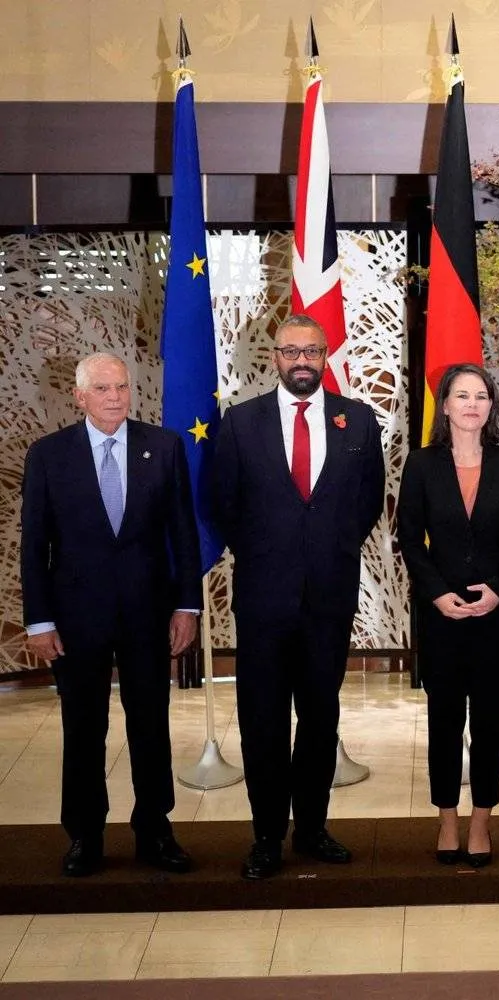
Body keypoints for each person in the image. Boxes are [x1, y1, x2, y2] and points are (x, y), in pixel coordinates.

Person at [210, 315, 386, 880]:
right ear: (276, 358)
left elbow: (367, 502)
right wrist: (269, 553)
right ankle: (267, 836)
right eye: (292, 352)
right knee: (262, 719)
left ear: (326, 355)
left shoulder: (358, 420)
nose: (302, 361)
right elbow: (224, 503)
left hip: (329, 597)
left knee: (319, 716)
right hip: (264, 598)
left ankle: (311, 829)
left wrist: (329, 549)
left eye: (312, 351)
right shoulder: (241, 423)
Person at [20, 352, 201, 877]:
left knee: (151, 724)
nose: (115, 397)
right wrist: (39, 620)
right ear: (80, 396)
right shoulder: (49, 455)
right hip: (76, 619)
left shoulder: (163, 447)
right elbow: (35, 545)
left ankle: (155, 830)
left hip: (149, 614)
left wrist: (187, 605)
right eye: (102, 389)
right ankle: (85, 835)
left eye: (122, 386)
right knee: (83, 727)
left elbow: (183, 533)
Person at [396, 364, 499, 868]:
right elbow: (410, 539)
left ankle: (481, 822)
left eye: (481, 396)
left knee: (491, 721)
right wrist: (436, 594)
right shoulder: (421, 464)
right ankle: (448, 820)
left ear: (490, 406)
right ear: (446, 405)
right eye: (462, 395)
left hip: (495, 614)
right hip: (442, 617)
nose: (472, 404)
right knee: (445, 721)